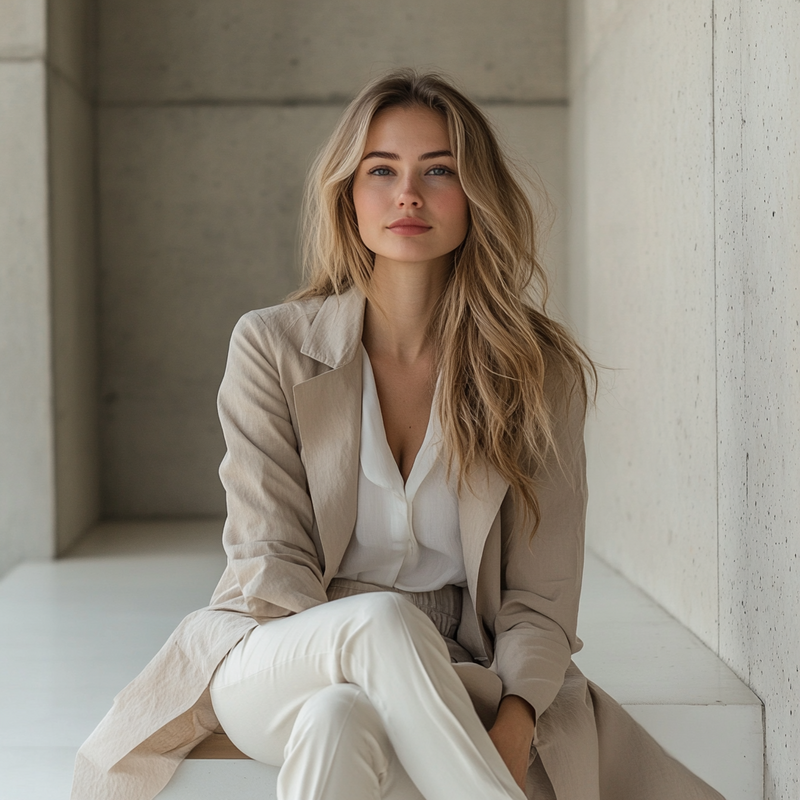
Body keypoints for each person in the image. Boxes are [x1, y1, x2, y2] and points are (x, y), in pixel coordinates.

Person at [71, 69, 725, 800]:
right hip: (276, 651)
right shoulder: (273, 347)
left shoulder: (536, 371)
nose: (407, 194)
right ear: (348, 194)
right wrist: (370, 656)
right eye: (381, 170)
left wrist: (513, 720)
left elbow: (540, 599)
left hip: (451, 664)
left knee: (341, 721)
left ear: (475, 196)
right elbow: (269, 561)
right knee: (373, 629)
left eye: (438, 170)